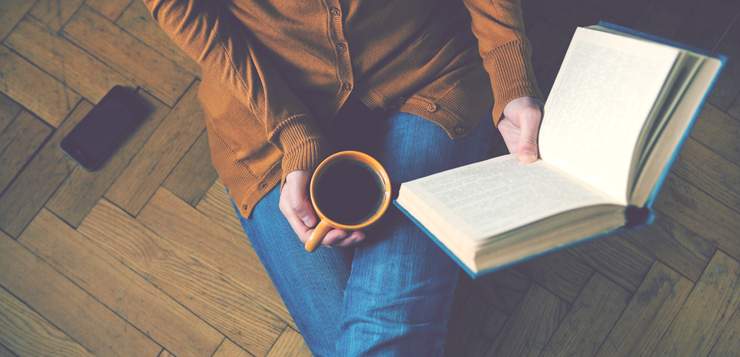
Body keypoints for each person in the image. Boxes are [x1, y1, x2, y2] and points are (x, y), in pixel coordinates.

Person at [145, 0, 543, 355]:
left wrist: (512, 80)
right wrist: (293, 133)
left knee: (383, 329)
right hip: (267, 108)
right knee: (370, 339)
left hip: (424, 71)